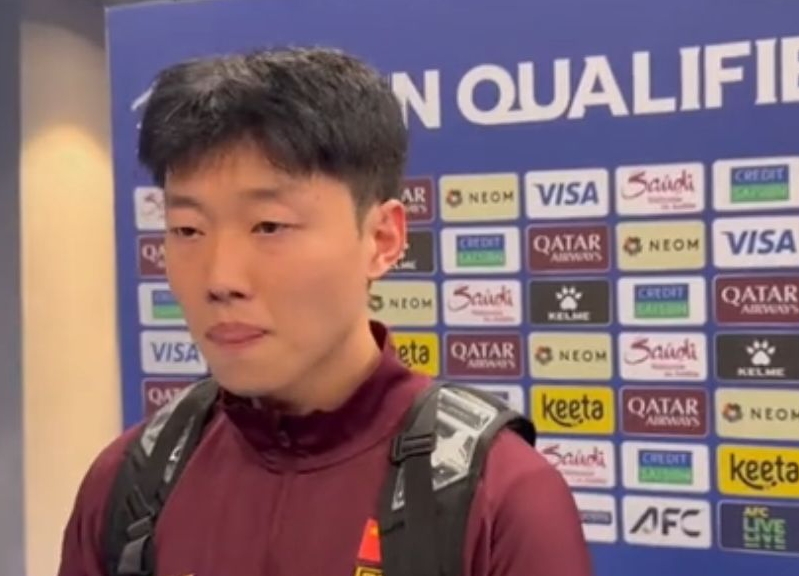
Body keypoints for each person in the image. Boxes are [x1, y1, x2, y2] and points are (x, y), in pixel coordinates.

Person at [56, 46, 594, 576]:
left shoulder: (500, 498)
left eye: (269, 226)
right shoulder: (131, 482)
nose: (220, 279)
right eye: (188, 230)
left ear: (382, 239)